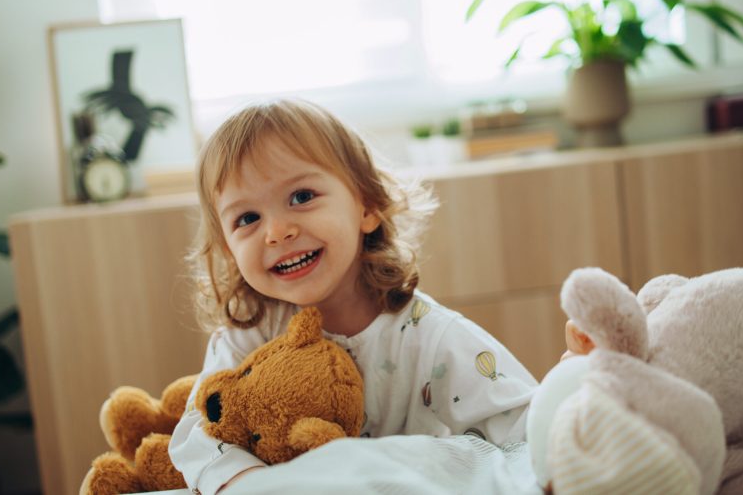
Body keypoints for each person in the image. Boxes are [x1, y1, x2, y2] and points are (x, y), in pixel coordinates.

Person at [169, 98, 537, 494]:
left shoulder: (430, 336)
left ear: (367, 205)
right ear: (228, 250)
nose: (276, 231)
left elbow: (527, 428)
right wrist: (253, 484)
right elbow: (200, 433)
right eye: (247, 219)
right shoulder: (251, 335)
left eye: (301, 197)